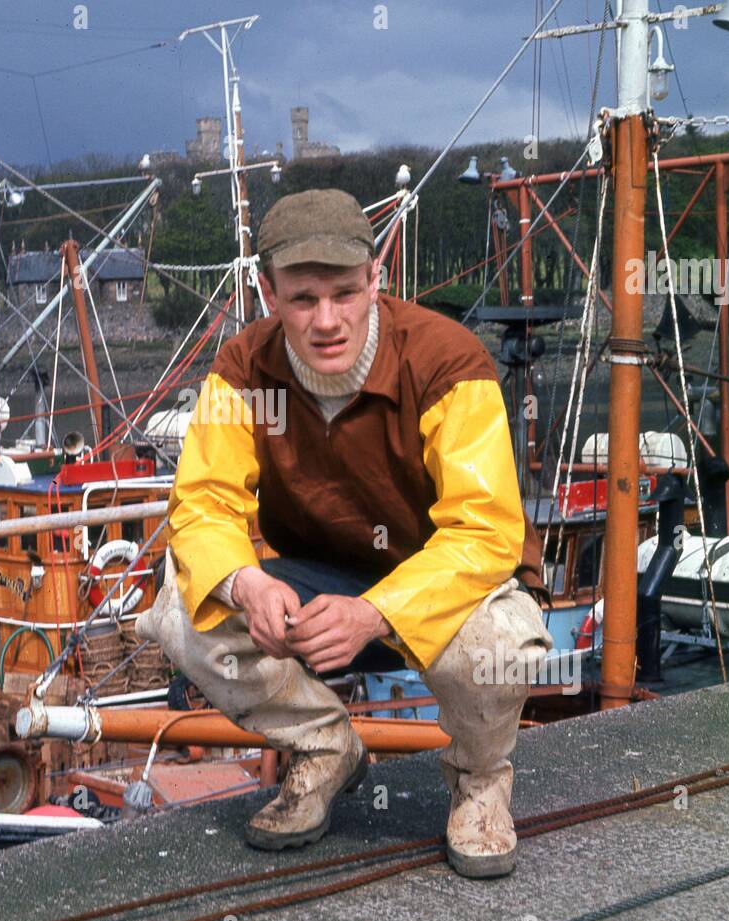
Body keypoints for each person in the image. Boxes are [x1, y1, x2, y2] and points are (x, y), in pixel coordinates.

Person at [136, 189, 551, 877]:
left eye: (346, 293)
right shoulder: (243, 369)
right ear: (267, 292)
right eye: (302, 299)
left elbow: (483, 532)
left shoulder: (448, 360)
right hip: (322, 589)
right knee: (184, 607)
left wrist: (376, 612)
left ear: (376, 280)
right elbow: (203, 506)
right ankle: (327, 747)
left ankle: (481, 780)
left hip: (443, 589)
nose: (327, 320)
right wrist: (243, 584)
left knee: (498, 643)